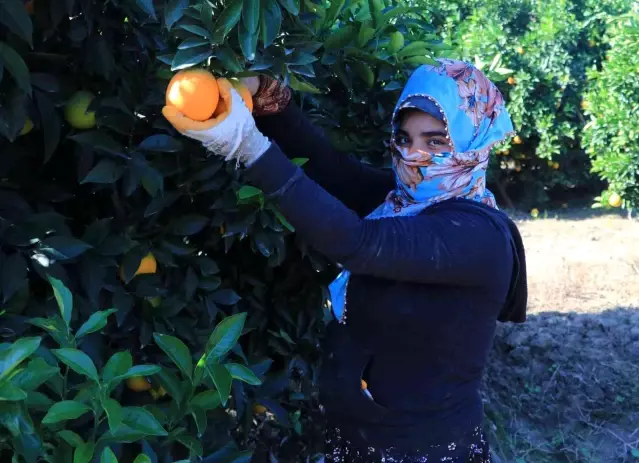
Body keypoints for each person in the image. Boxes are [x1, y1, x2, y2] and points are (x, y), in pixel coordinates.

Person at [162, 59, 528, 462]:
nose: (414, 155)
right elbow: (329, 168)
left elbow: (358, 243)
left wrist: (248, 148)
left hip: (425, 449)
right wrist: (267, 98)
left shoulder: (477, 235)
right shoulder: (403, 202)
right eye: (404, 138)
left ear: (475, 139)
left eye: (437, 141)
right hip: (358, 439)